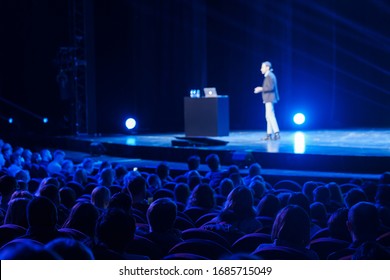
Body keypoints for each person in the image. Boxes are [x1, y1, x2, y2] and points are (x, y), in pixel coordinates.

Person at [254, 61, 280, 141]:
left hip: (270, 98)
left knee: (270, 116)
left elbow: (270, 88)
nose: (261, 69)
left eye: (262, 67)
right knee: (268, 116)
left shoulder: (270, 76)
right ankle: (269, 134)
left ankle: (276, 133)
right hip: (268, 98)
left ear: (267, 67)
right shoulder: (269, 76)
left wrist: (260, 89)